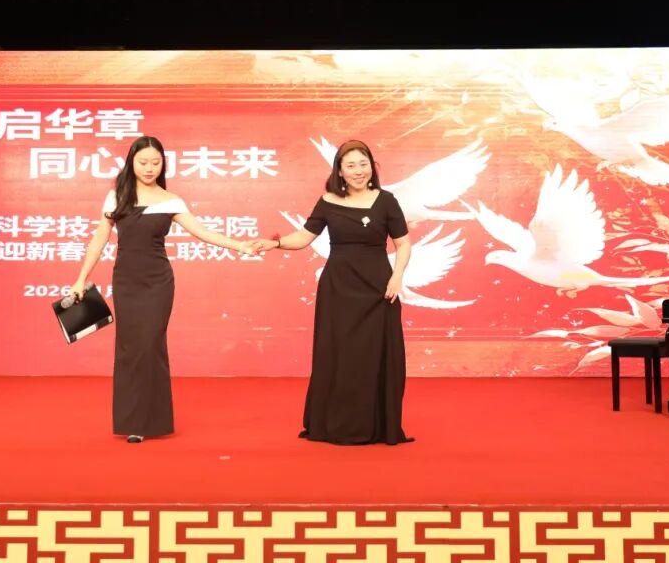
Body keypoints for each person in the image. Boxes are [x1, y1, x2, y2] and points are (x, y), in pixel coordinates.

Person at [71, 135, 259, 443]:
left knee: (150, 345)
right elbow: (99, 239)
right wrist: (81, 278)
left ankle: (153, 420)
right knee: (130, 349)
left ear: (163, 165)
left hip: (158, 283)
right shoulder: (116, 197)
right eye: (143, 162)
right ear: (131, 163)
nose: (149, 168)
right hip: (126, 281)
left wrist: (240, 245)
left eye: (155, 163)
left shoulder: (171, 200)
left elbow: (202, 232)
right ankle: (133, 422)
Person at [257, 139, 413, 445]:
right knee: (339, 355)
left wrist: (397, 277)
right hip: (338, 289)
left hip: (379, 289)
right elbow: (304, 237)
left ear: (372, 168)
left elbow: (403, 243)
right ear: (339, 171)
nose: (358, 171)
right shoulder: (328, 201)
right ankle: (336, 424)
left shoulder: (386, 201)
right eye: (350, 165)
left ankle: (374, 426)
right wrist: (274, 243)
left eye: (363, 164)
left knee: (372, 355)